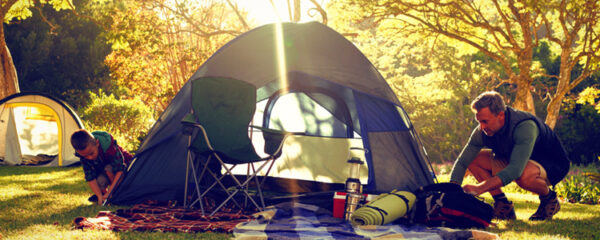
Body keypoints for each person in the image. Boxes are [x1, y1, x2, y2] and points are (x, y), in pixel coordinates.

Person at [449, 91, 570, 221]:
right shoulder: (481, 131)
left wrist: (479, 188)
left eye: (485, 121)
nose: (482, 127)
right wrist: (451, 190)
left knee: (523, 175)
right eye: (479, 121)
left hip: (551, 163)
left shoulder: (525, 127)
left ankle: (549, 199)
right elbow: (463, 161)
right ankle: (503, 205)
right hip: (516, 158)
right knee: (474, 160)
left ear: (500, 115)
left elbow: (515, 170)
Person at [70, 129, 133, 205]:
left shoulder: (110, 147)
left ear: (97, 143)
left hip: (126, 167)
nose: (89, 158)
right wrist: (99, 196)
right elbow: (90, 178)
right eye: (85, 156)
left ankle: (116, 193)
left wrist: (110, 192)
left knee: (108, 169)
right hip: (105, 170)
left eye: (91, 153)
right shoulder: (84, 156)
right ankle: (104, 197)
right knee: (100, 181)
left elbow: (120, 171)